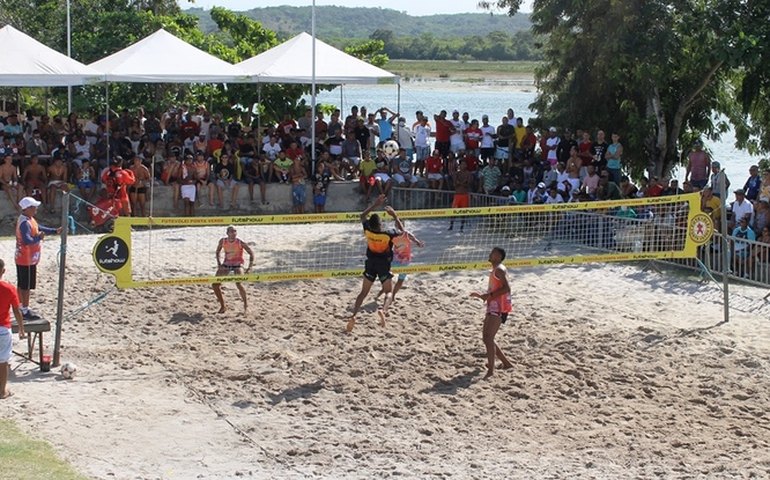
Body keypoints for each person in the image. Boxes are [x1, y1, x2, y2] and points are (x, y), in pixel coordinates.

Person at [347, 195, 403, 333]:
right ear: (380, 224)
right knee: (389, 292)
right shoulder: (388, 234)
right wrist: (395, 216)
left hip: (370, 263)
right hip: (383, 264)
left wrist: (374, 205)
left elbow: (362, 216)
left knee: (363, 293)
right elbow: (402, 231)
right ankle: (383, 311)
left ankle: (353, 315)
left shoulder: (367, 230)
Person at [470, 247, 514, 379]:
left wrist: (488, 295)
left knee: (488, 338)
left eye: (493, 252)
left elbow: (507, 288)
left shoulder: (499, 269)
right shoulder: (496, 269)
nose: (490, 253)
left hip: (499, 307)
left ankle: (491, 371)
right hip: (493, 306)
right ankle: (506, 364)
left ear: (499, 256)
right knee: (487, 338)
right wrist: (485, 296)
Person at [15, 196, 62, 320]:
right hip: (26, 259)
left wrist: (53, 231)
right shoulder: (25, 223)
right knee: (26, 286)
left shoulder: (28, 219)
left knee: (22, 284)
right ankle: (24, 309)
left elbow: (38, 227)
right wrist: (39, 238)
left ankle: (21, 307)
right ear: (27, 209)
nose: (36, 209)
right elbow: (27, 240)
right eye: (33, 207)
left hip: (24, 258)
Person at [212, 226, 254, 314]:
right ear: (227, 233)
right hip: (227, 263)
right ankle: (223, 306)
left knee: (238, 283)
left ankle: (246, 305)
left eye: (235, 231)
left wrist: (249, 267)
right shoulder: (223, 241)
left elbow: (251, 253)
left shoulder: (240, 242)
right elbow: (217, 252)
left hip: (238, 264)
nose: (233, 233)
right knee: (215, 284)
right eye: (231, 231)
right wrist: (219, 263)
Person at [377, 227, 424, 304]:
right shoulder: (392, 235)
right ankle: (380, 294)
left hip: (405, 261)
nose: (398, 227)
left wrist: (419, 243)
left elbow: (416, 241)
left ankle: (392, 296)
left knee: (400, 280)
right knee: (388, 278)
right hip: (395, 259)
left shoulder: (407, 234)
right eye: (397, 225)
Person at [0, 258, 24, 399]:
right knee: (3, 362)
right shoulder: (9, 289)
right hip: (3, 329)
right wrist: (21, 328)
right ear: (3, 271)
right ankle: (2, 391)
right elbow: (16, 310)